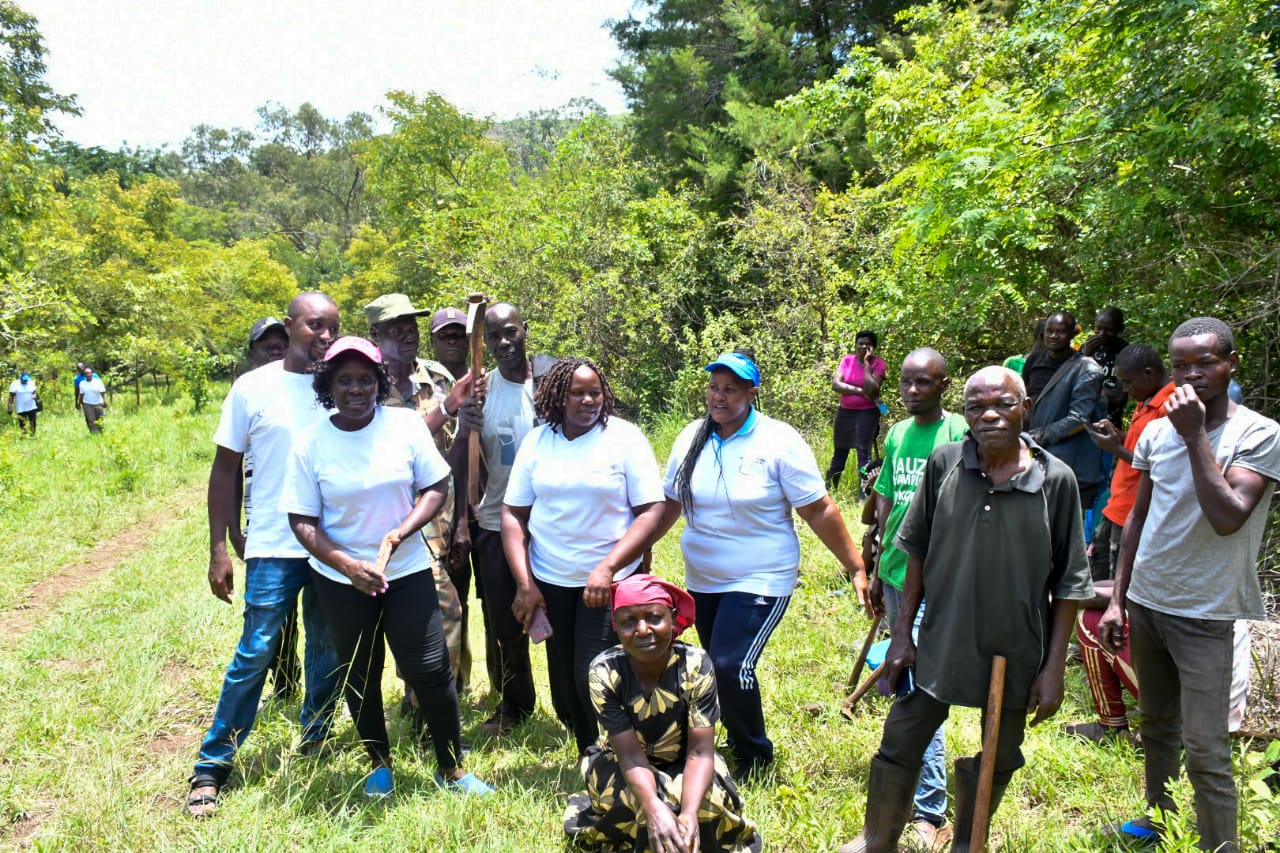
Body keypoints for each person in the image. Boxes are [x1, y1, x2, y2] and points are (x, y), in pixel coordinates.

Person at [838, 366, 1092, 853]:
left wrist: (1054, 669)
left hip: (1014, 649)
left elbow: (1070, 585)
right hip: (942, 637)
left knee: (998, 754)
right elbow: (915, 550)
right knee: (902, 736)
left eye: (1002, 404)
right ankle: (877, 839)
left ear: (1026, 408)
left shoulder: (1055, 480)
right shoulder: (945, 463)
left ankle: (968, 843)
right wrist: (904, 634)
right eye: (976, 407)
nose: (989, 415)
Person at [282, 336, 492, 798]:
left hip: (407, 570)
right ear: (327, 386)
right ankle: (379, 762)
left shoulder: (404, 426)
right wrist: (345, 563)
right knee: (361, 671)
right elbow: (302, 519)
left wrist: (401, 531)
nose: (355, 389)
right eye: (343, 380)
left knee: (432, 669)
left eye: (364, 379)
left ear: (378, 383)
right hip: (342, 579)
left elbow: (436, 484)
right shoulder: (311, 442)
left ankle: (452, 768)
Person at [1099, 317, 1280, 851]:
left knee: (1206, 748)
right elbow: (1139, 516)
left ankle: (1217, 845)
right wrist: (1119, 599)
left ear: (1231, 362)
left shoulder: (1259, 434)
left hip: (1208, 612)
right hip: (1149, 601)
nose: (1192, 375)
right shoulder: (1156, 431)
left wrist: (1195, 434)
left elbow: (1229, 516)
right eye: (1181, 366)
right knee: (1156, 724)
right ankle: (1162, 825)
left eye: (1206, 363)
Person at [659, 351, 870, 781]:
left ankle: (755, 757)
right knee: (714, 665)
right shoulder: (690, 437)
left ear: (752, 393)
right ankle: (724, 743)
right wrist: (636, 554)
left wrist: (856, 566)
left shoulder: (777, 440)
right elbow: (669, 504)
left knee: (730, 663)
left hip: (762, 576)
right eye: (714, 387)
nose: (719, 397)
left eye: (730, 389)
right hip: (704, 577)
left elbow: (818, 509)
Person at [186, 292, 344, 818]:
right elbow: (224, 470)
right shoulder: (252, 387)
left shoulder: (339, 385)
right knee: (256, 650)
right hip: (273, 544)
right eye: (316, 326)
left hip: (330, 545)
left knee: (326, 647)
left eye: (333, 328)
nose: (325, 336)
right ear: (291, 325)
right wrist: (219, 546)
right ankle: (213, 765)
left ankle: (315, 738)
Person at [501, 357, 666, 755]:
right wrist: (525, 585)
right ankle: (588, 754)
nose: (589, 400)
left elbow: (652, 511)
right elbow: (513, 514)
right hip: (551, 581)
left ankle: (617, 755)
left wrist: (608, 568)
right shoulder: (537, 442)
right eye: (578, 393)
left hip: (610, 582)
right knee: (562, 676)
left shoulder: (624, 439)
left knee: (591, 671)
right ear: (557, 396)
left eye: (595, 391)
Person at [564, 574, 762, 853]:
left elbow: (700, 752)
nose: (642, 630)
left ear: (672, 618)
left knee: (704, 807)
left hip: (687, 759)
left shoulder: (695, 665)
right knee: (639, 809)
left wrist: (690, 813)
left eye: (654, 618)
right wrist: (653, 807)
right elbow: (630, 755)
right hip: (625, 762)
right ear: (616, 628)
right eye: (628, 622)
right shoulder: (604, 672)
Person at [866, 348, 968, 850]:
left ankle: (930, 812)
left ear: (943, 385)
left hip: (934, 581)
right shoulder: (898, 433)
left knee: (917, 694)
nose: (911, 391)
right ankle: (909, 794)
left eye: (923, 383)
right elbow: (886, 491)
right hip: (894, 573)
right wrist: (876, 552)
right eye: (905, 382)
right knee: (903, 685)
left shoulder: (957, 434)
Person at [365, 293, 474, 704]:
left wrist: (462, 518)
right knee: (437, 610)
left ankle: (448, 696)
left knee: (449, 608)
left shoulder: (437, 375)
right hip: (398, 519)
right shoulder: (365, 383)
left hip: (443, 515)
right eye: (395, 328)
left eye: (410, 326)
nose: (406, 334)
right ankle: (426, 703)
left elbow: (458, 451)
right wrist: (446, 409)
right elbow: (396, 446)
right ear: (376, 334)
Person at [465, 302, 557, 737]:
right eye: (494, 336)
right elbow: (470, 463)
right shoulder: (482, 391)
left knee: (563, 620)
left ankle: (573, 702)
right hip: (497, 523)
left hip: (556, 525)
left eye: (510, 332)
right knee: (505, 623)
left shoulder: (553, 381)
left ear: (526, 330)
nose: (503, 343)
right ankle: (515, 703)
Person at [1068, 580, 1251, 744]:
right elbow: (1125, 583)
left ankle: (1110, 725)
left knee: (1089, 617)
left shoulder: (1170, 559)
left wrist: (1057, 598)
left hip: (1188, 715)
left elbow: (1119, 595)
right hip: (1222, 712)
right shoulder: (1213, 568)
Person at [233, 317, 300, 703]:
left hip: (310, 519)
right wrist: (233, 532)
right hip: (264, 518)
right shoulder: (247, 392)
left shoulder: (306, 389)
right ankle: (285, 682)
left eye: (280, 345)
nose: (275, 352)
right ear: (252, 353)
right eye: (266, 347)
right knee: (275, 616)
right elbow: (228, 467)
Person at [1082, 344, 1174, 580]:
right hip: (1116, 506)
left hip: (1135, 512)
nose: (1125, 389)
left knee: (1118, 589)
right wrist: (1117, 437)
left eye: (1128, 382)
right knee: (1096, 579)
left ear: (1149, 374)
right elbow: (1140, 448)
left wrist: (1114, 450)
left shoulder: (1171, 407)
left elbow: (1162, 468)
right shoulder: (1147, 397)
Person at [1023, 310, 1107, 508]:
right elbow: (1025, 400)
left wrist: (1038, 435)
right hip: (1033, 453)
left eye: (1060, 331)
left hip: (1068, 459)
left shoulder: (1086, 368)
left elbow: (1079, 418)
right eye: (1049, 331)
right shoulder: (1035, 360)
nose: (1053, 336)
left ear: (1072, 334)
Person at [826, 331, 887, 489]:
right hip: (845, 413)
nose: (864, 346)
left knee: (863, 452)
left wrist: (867, 364)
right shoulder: (847, 360)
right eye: (860, 343)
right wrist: (861, 391)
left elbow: (873, 390)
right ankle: (830, 489)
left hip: (867, 412)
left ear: (874, 347)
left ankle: (864, 494)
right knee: (840, 451)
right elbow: (836, 385)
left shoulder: (878, 364)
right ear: (855, 344)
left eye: (868, 343)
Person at [1081, 307, 1129, 427]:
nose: (1102, 334)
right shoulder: (1087, 347)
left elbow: (1118, 396)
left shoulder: (1126, 352)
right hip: (1083, 420)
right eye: (1099, 328)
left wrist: (1087, 392)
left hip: (1110, 423)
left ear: (1119, 329)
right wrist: (1085, 356)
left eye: (1109, 330)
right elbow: (1071, 381)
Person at [76, 366, 107, 433]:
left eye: (89, 373)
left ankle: (101, 432)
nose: (88, 375)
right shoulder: (82, 383)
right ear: (84, 375)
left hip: (98, 403)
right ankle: (94, 434)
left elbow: (102, 392)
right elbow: (81, 395)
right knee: (91, 419)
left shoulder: (98, 382)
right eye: (86, 373)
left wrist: (104, 401)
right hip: (87, 404)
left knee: (99, 418)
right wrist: (78, 403)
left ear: (92, 373)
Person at [8, 371, 38, 436]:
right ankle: (23, 435)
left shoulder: (31, 383)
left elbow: (35, 392)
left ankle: (32, 435)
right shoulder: (15, 384)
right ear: (20, 378)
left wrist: (36, 398)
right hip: (21, 408)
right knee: (22, 423)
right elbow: (11, 397)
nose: (25, 382)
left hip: (31, 406)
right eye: (24, 380)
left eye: (26, 380)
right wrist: (10, 407)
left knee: (33, 422)